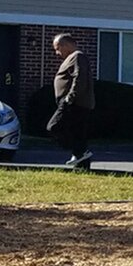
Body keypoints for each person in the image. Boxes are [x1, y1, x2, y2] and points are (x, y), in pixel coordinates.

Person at [50, 33, 96, 169]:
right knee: (78, 133)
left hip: (74, 103)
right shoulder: (74, 57)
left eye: (58, 48)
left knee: (54, 127)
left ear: (66, 45)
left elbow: (79, 78)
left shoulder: (77, 56)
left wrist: (70, 97)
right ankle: (82, 164)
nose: (57, 53)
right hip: (75, 102)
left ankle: (81, 151)